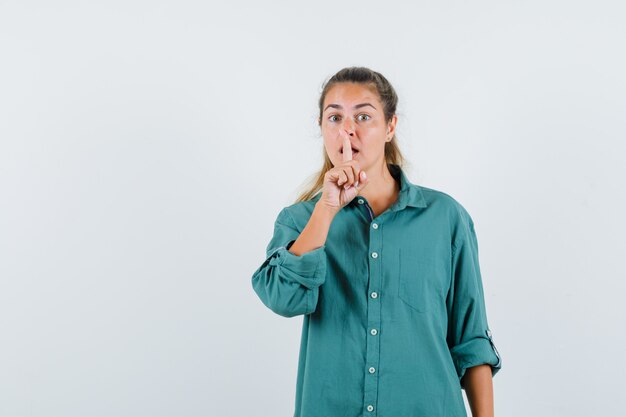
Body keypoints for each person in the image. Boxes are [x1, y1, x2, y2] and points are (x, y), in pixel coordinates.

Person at [251, 66, 502, 417]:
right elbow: (282, 298)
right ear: (322, 130)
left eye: (363, 116)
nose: (348, 129)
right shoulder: (300, 221)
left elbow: (471, 340)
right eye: (334, 117)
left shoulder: (446, 218)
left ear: (390, 127)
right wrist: (326, 208)